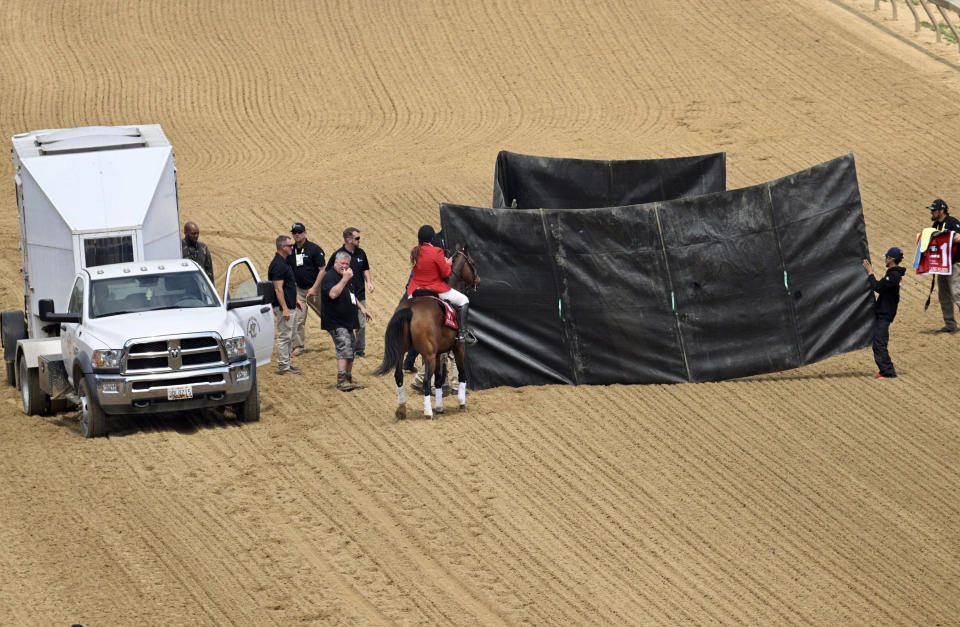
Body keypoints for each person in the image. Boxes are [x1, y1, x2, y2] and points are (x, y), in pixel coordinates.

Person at [406, 224, 476, 345]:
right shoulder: (436, 251)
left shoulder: (414, 251)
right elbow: (446, 273)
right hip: (434, 288)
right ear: (432, 238)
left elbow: (426, 263)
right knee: (464, 300)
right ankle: (462, 333)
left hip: (415, 290)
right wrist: (447, 263)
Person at [322, 251, 372, 390]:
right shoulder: (330, 277)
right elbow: (333, 294)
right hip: (335, 321)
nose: (344, 266)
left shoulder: (346, 277)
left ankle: (348, 379)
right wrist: (344, 279)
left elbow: (351, 295)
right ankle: (341, 381)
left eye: (347, 264)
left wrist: (362, 308)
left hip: (348, 320)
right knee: (344, 347)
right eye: (342, 263)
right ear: (335, 263)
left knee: (352, 348)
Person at [325, 227, 374, 356]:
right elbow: (329, 272)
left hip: (359, 294)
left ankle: (359, 350)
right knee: (347, 324)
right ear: (348, 239)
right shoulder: (338, 255)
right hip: (344, 296)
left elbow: (365, 269)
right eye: (357, 238)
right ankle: (350, 349)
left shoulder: (361, 253)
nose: (359, 240)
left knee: (361, 325)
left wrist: (369, 282)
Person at [863, 248, 905, 379]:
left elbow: (878, 287)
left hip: (885, 314)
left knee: (880, 343)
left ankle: (888, 372)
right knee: (878, 342)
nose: (885, 259)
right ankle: (884, 370)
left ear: (891, 259)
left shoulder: (893, 275)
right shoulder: (893, 274)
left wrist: (870, 273)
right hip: (884, 312)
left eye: (886, 257)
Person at [287, 222, 326, 356]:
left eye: (299, 232)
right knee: (298, 319)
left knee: (327, 315)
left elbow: (322, 270)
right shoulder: (290, 251)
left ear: (305, 233)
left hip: (315, 289)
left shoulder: (314, 249)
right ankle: (298, 347)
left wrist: (315, 288)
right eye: (294, 232)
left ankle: (342, 340)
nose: (296, 234)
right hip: (299, 290)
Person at [268, 235, 304, 375]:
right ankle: (283, 366)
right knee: (285, 336)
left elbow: (289, 285)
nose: (292, 247)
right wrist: (284, 308)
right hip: (285, 307)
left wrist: (296, 300)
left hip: (290, 305)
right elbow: (278, 288)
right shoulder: (278, 264)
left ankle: (287, 364)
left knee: (291, 335)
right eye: (290, 245)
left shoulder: (284, 262)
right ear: (282, 247)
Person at [928, 198, 960, 333]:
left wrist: (946, 239)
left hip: (953, 264)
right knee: (944, 296)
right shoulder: (935, 226)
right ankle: (950, 325)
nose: (932, 212)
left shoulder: (953, 222)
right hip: (941, 266)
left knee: (957, 293)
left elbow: (959, 237)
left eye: (934, 210)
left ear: (942, 210)